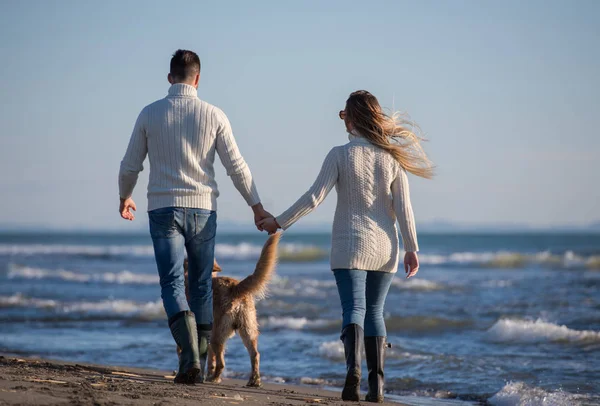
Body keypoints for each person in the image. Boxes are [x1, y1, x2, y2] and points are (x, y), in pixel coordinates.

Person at [259, 90, 433, 403]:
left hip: (349, 245)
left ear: (350, 120)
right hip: (385, 248)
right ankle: (377, 387)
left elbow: (314, 198)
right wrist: (411, 248)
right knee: (375, 313)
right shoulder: (392, 158)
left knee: (354, 310)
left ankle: (352, 375)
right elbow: (404, 207)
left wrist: (279, 222)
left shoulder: (339, 155)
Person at [118, 50, 271, 384]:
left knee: (173, 284)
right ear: (197, 79)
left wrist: (125, 194)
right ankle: (197, 361)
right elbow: (237, 166)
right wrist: (256, 206)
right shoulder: (214, 115)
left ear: (170, 78)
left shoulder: (149, 113)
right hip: (203, 209)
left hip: (162, 208)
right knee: (201, 285)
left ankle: (190, 358)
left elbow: (131, 164)